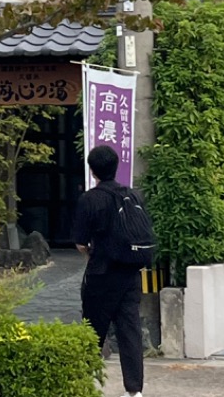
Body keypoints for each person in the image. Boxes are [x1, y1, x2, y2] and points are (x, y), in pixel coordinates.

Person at [73, 144, 144, 397]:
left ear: (92, 170)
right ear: (116, 167)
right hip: (131, 274)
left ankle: (85, 386)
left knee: (93, 331)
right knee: (129, 330)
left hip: (102, 274)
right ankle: (134, 391)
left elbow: (81, 242)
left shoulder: (89, 199)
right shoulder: (134, 196)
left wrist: (92, 253)